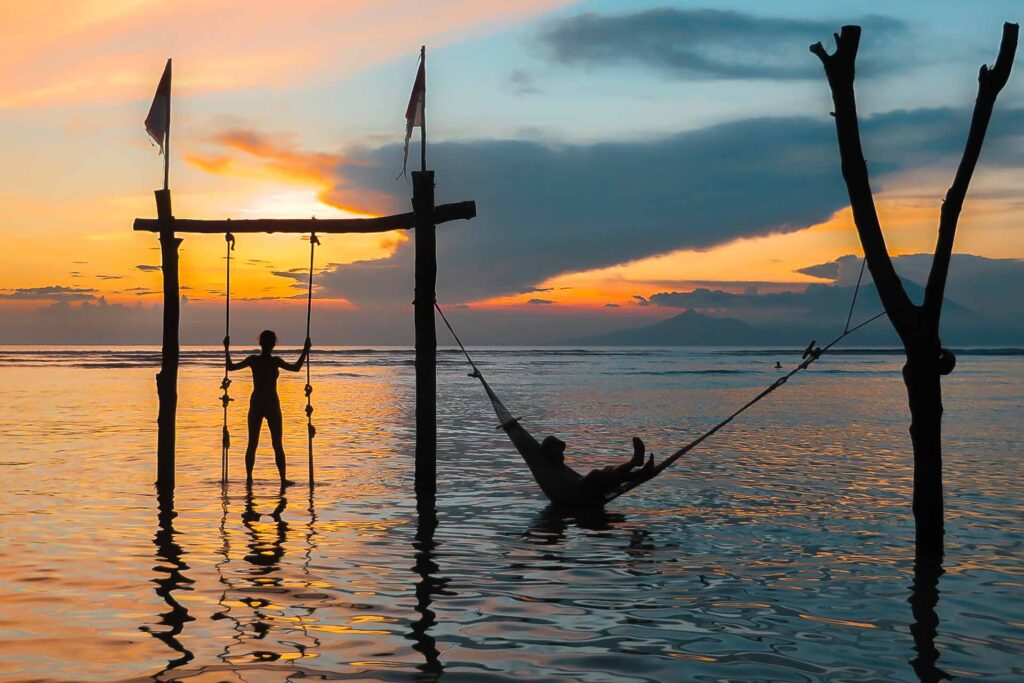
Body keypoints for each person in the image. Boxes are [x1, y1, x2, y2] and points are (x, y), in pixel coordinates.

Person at [225, 330, 310, 487]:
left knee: (252, 443)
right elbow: (296, 368)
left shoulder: (253, 360)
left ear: (260, 343)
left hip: (257, 402)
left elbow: (230, 367)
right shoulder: (275, 361)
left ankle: (249, 478)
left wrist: (226, 349)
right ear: (274, 344)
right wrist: (305, 350)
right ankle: (282, 479)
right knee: (277, 444)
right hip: (271, 403)